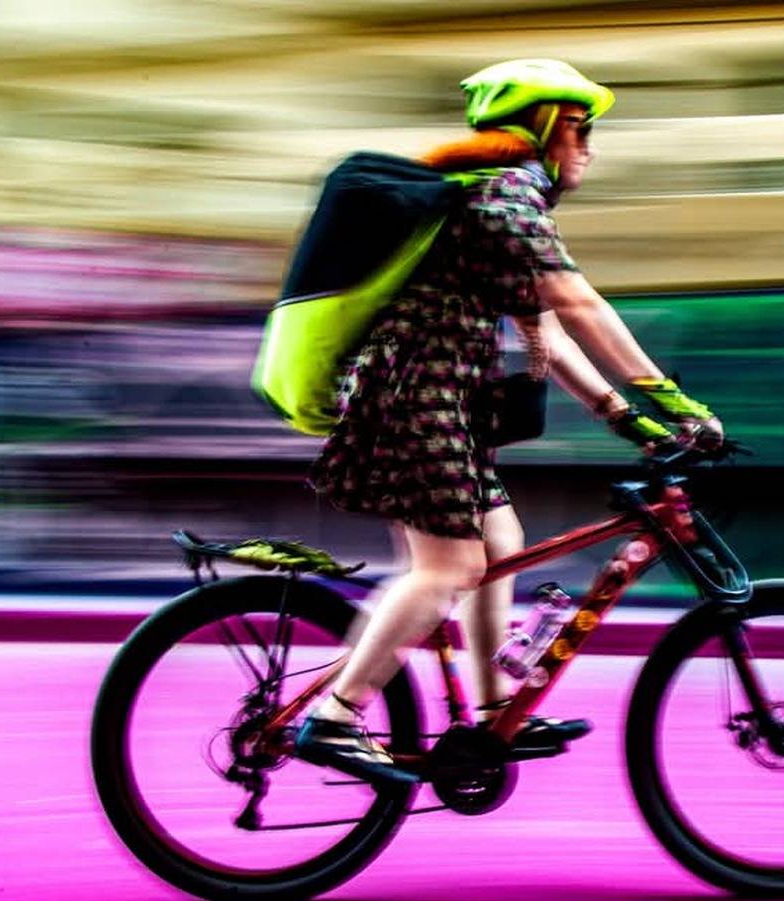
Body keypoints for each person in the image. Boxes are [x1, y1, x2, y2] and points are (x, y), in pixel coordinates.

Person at [295, 59, 724, 784]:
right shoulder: (506, 193)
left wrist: (626, 418)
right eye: (580, 129)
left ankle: (495, 710)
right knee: (447, 569)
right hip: (415, 401)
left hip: (437, 405)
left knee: (499, 543)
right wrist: (677, 404)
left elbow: (549, 328)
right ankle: (336, 719)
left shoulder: (494, 196)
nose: (588, 148)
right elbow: (581, 306)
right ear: (545, 128)